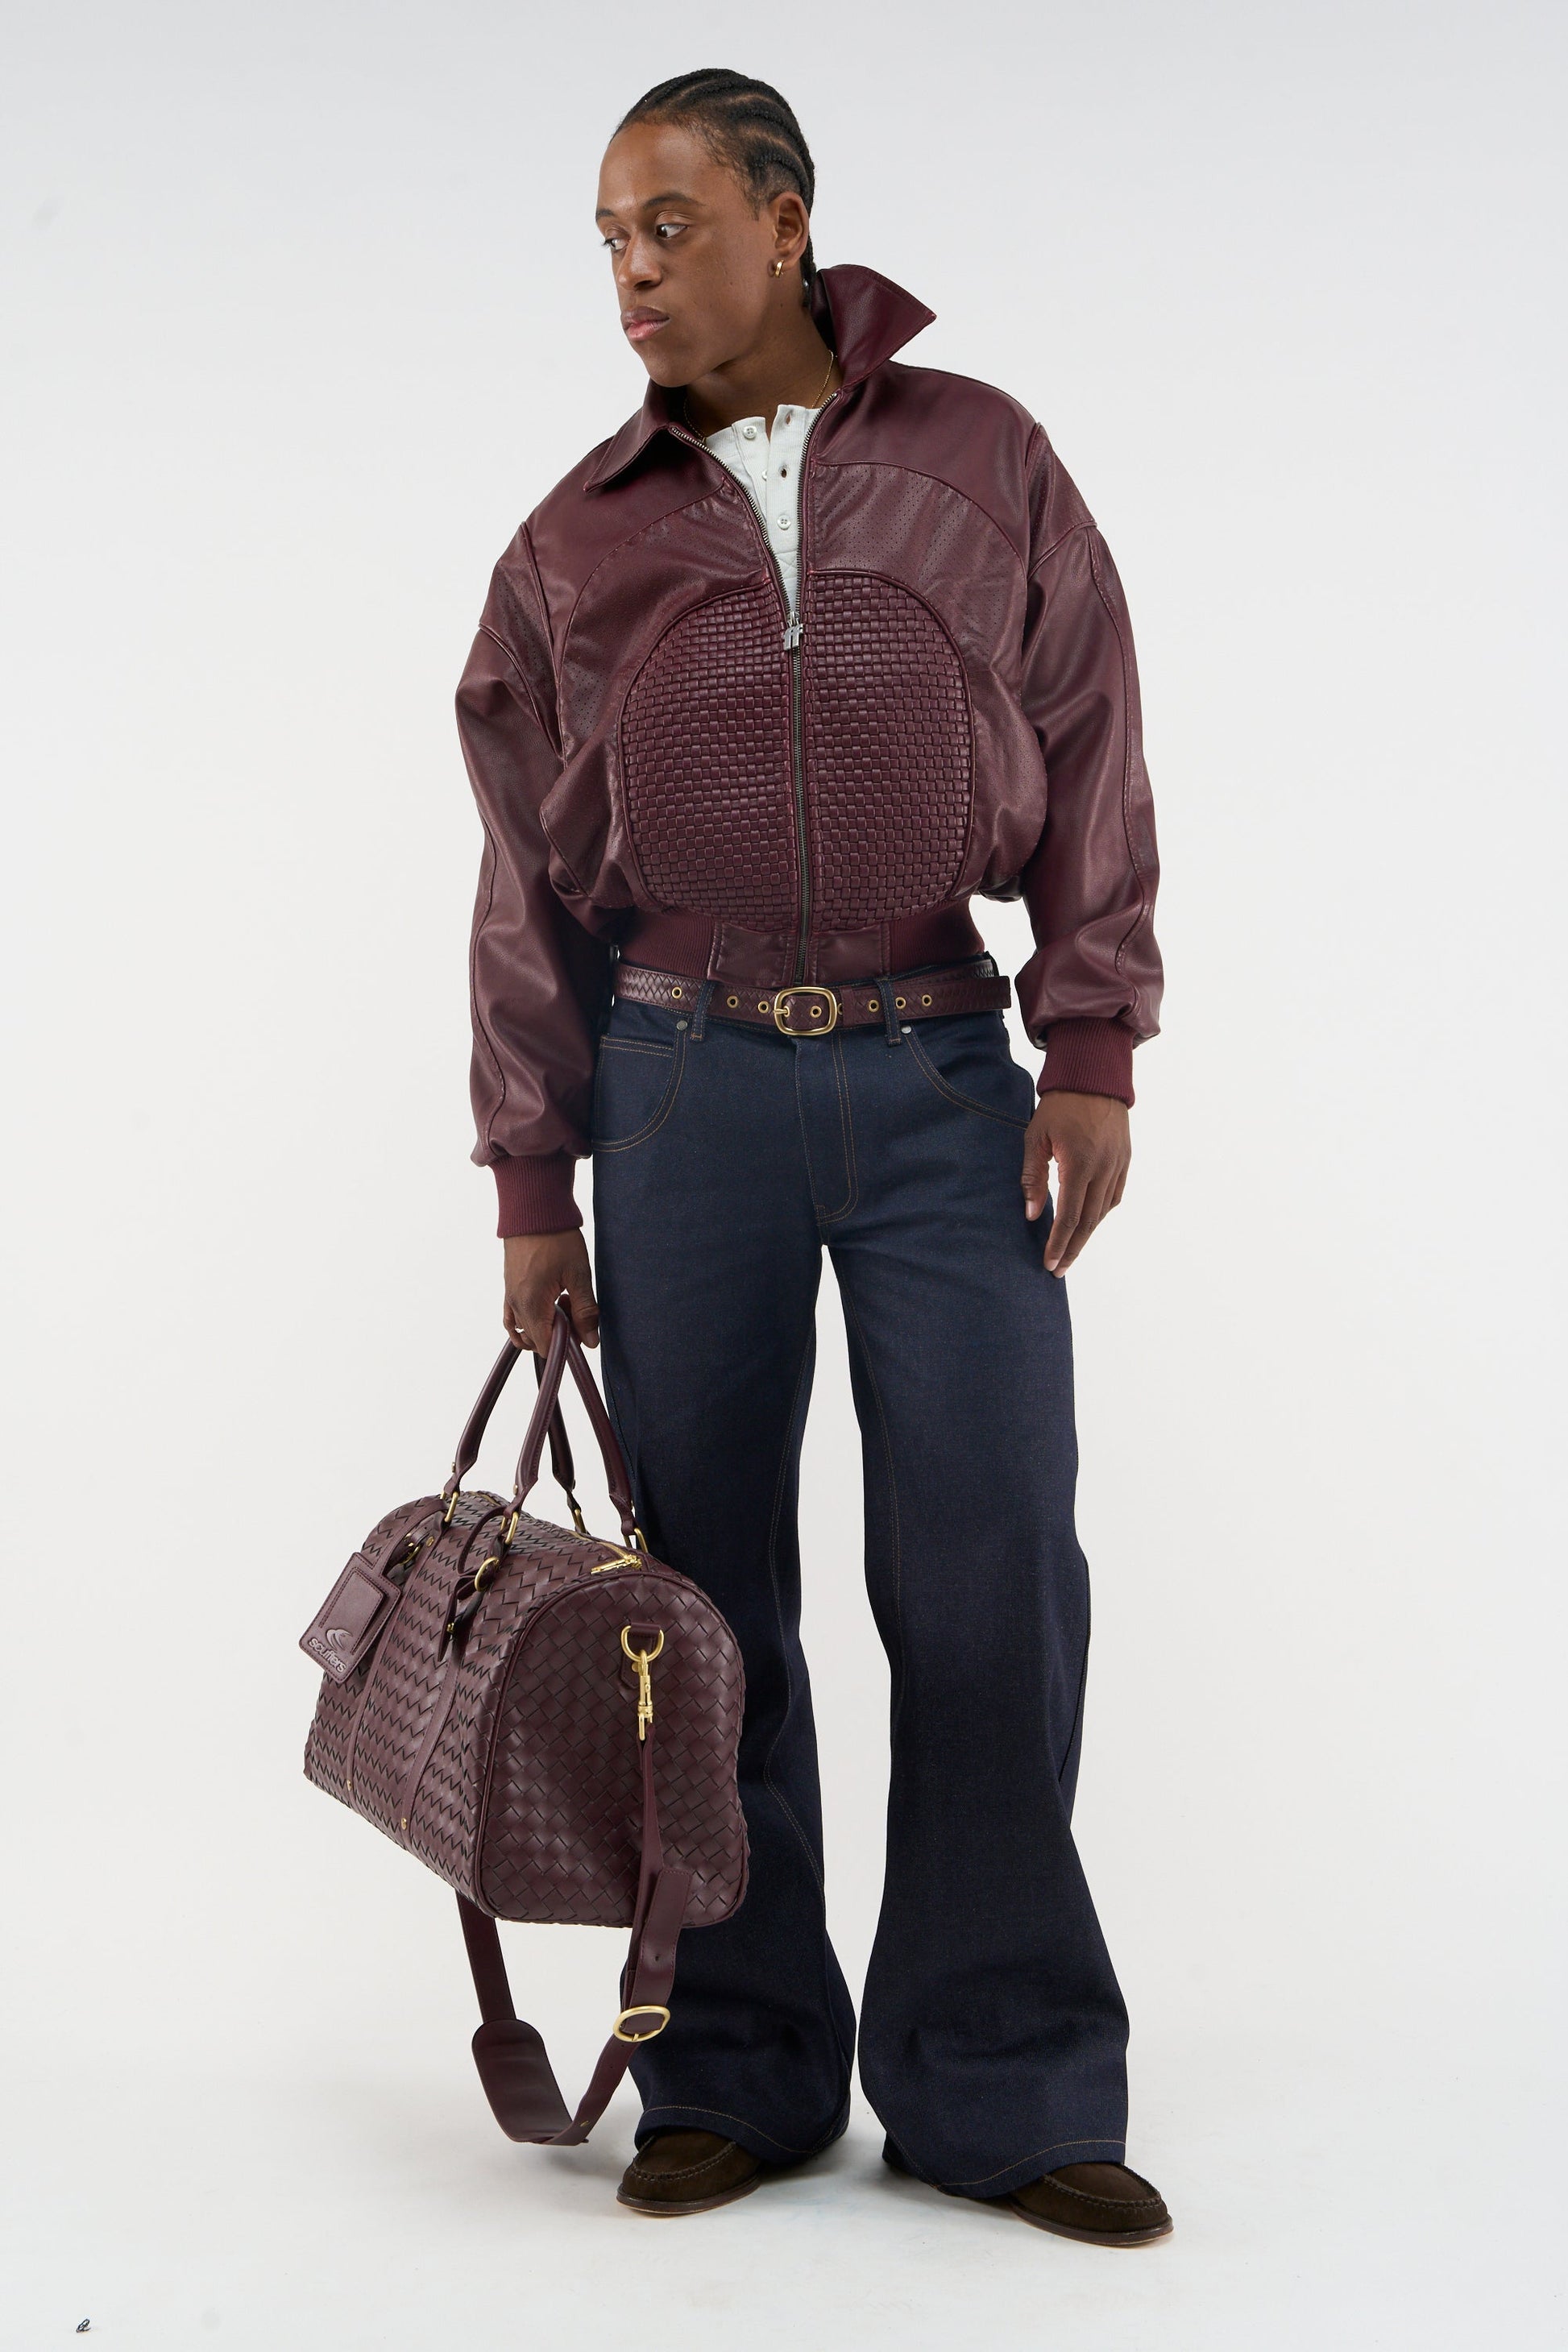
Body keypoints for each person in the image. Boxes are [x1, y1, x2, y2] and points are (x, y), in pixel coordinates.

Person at [455, 68, 1168, 2243]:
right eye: (607, 237)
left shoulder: (983, 459)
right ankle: (735, 2063)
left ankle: (1001, 2080)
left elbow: (1091, 735)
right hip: (677, 1096)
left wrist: (1091, 1040)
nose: (631, 272)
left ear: (785, 223)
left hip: (947, 1075)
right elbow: (522, 882)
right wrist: (532, 1183)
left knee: (991, 1575)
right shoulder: (572, 539)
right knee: (697, 1606)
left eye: (667, 223)